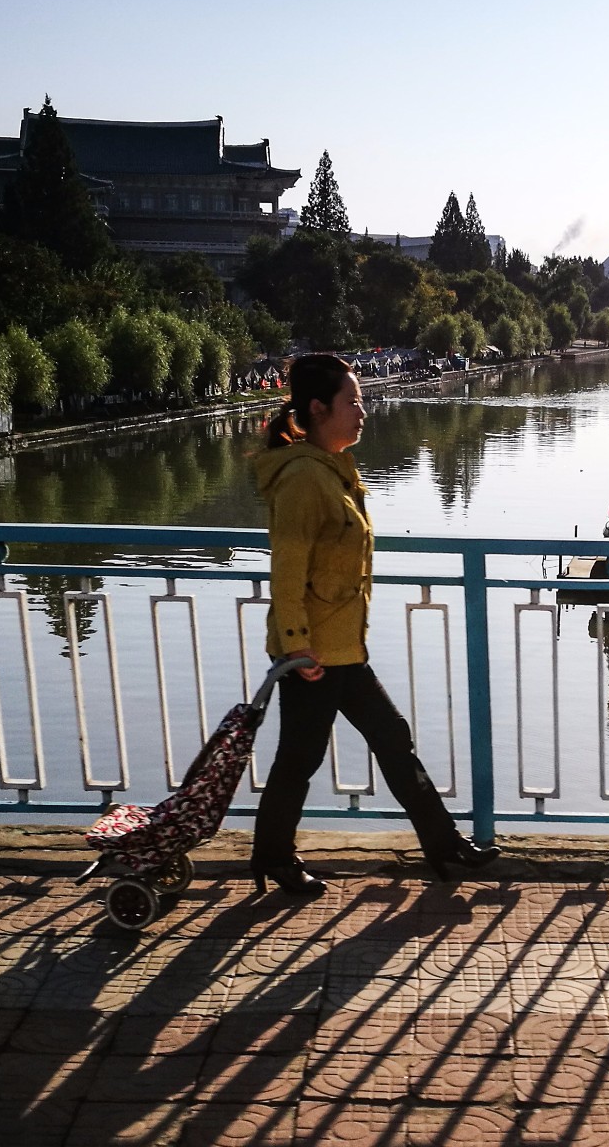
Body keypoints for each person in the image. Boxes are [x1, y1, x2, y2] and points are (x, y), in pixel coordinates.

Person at [250, 354, 499, 897]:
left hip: (342, 648)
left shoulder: (332, 470)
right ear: (318, 409)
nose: (363, 412)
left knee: (391, 737)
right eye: (353, 402)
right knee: (301, 758)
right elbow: (287, 571)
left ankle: (442, 844)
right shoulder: (303, 480)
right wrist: (295, 648)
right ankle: (272, 855)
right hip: (313, 656)